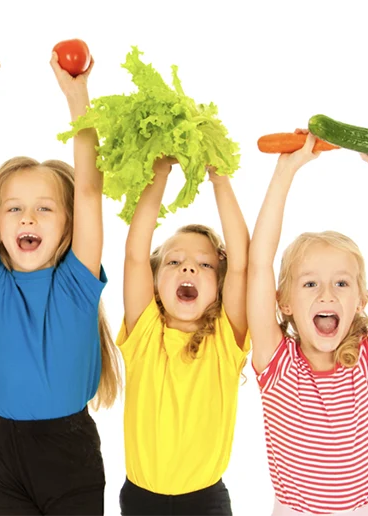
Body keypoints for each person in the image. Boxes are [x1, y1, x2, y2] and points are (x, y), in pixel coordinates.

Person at [0, 45, 123, 516]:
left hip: (72, 452)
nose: (29, 217)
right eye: (14, 208)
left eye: (44, 208)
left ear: (67, 228)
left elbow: (89, 190)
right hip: (6, 451)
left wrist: (78, 96)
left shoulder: (77, 282)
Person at [247, 130, 368, 515]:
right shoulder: (278, 363)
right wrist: (284, 174)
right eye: (310, 283)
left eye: (341, 283)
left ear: (360, 301)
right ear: (285, 302)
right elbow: (259, 264)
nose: (327, 294)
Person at [115, 157, 251, 515]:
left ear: (220, 287)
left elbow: (241, 262)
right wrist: (159, 173)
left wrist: (220, 179)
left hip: (205, 501)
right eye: (174, 262)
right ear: (155, 282)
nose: (189, 266)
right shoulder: (144, 334)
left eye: (205, 265)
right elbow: (133, 256)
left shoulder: (225, 338)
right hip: (140, 499)